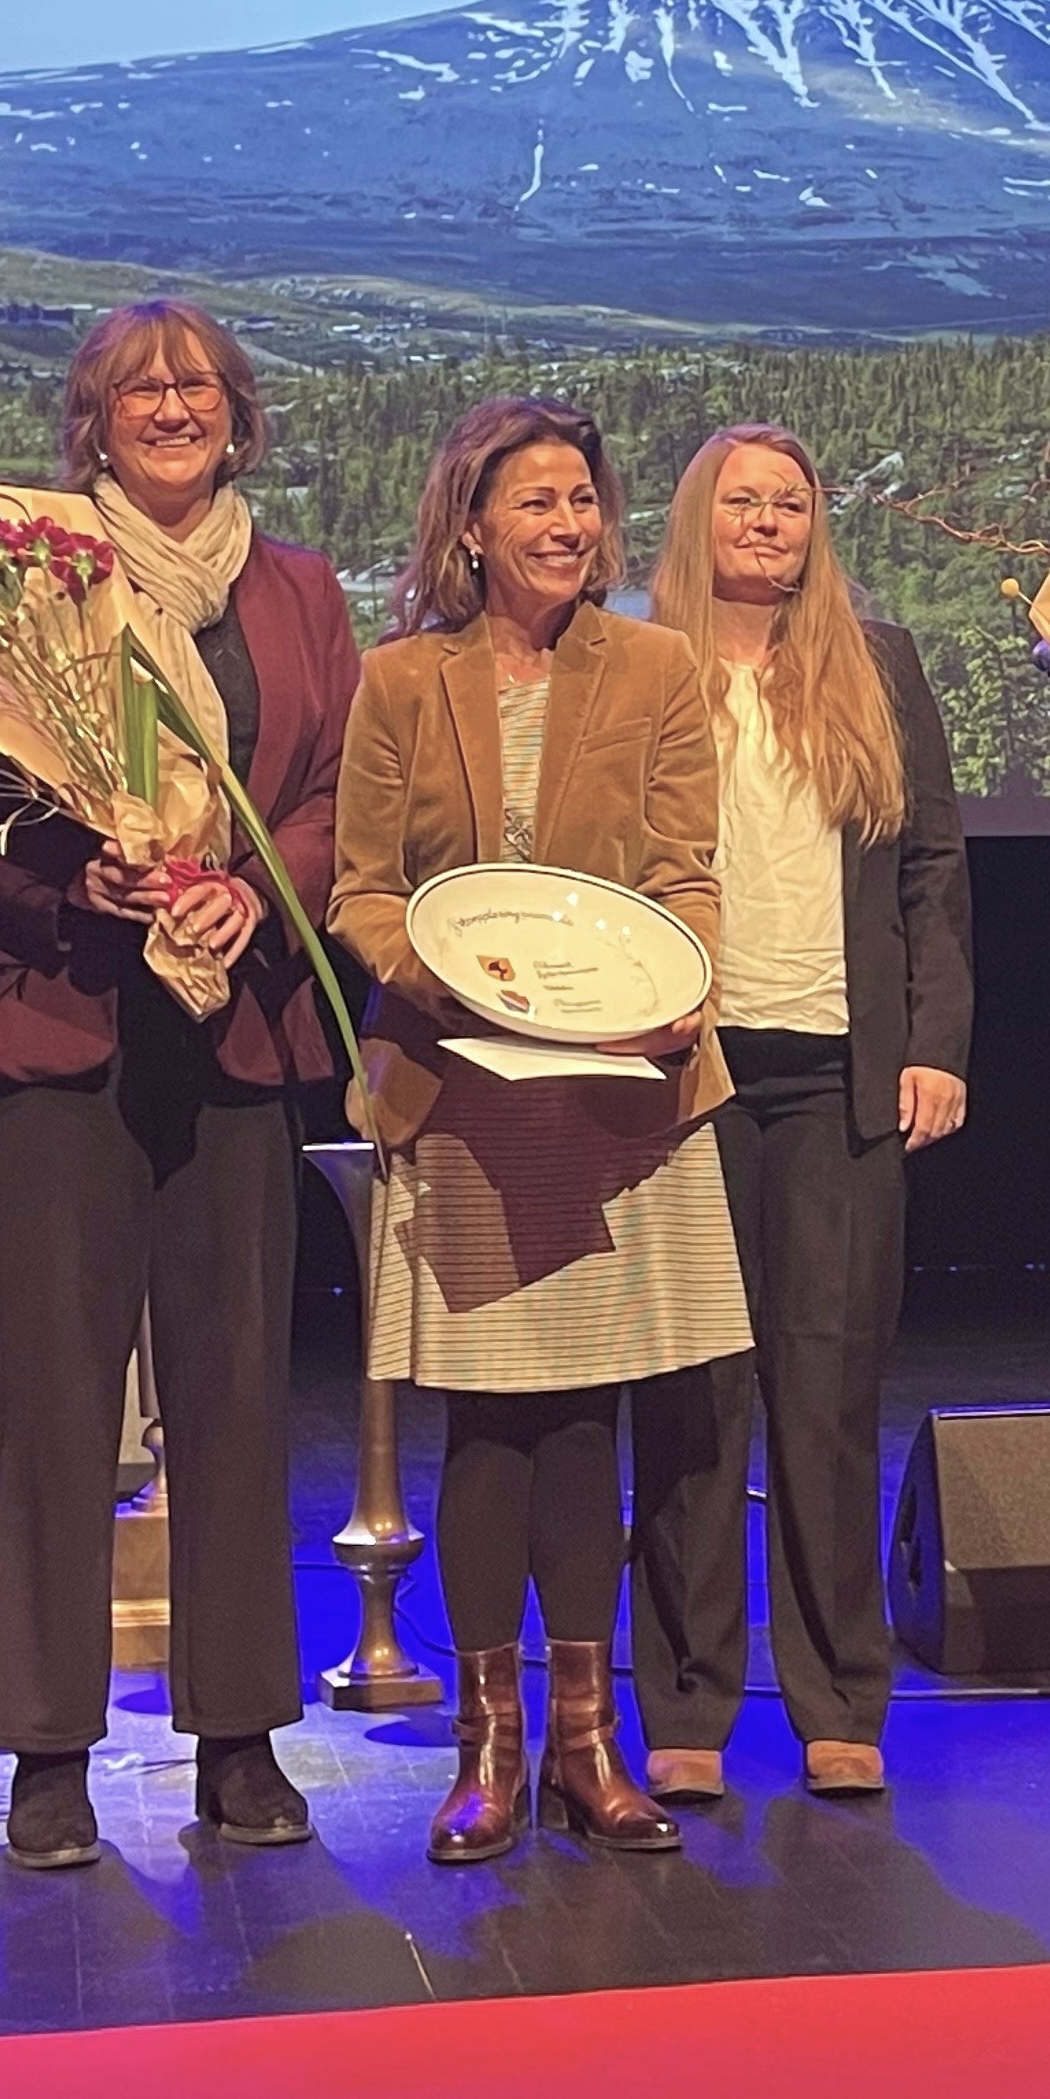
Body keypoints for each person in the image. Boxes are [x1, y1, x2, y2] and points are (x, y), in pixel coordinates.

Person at [0, 299, 358, 1872]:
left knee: (237, 1392)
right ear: (89, 424)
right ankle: (47, 1752)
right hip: (65, 1024)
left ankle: (239, 1737)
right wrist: (74, 876)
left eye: (200, 387)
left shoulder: (298, 594)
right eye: (138, 389)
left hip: (236, 1029)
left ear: (240, 419)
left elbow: (333, 796)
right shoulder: (25, 584)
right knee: (55, 1398)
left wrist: (253, 884)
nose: (173, 406)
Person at [328, 396, 748, 1865]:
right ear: (470, 524)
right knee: (489, 1426)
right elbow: (364, 889)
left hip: (617, 1096)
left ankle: (588, 1739)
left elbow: (690, 871)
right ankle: (489, 1746)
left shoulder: (658, 667)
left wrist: (677, 990)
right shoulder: (398, 680)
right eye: (537, 502)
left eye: (584, 499)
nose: (569, 525)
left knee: (592, 1421)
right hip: (456, 1093)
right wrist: (451, 977)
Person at [631, 424, 974, 1801]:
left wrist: (938, 1041)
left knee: (827, 1397)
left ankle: (841, 1702)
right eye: (742, 500)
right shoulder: (639, 662)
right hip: (683, 1077)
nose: (767, 522)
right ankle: (690, 1709)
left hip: (844, 1073)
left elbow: (935, 865)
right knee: (693, 1399)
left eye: (790, 503)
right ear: (696, 520)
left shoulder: (876, 666)